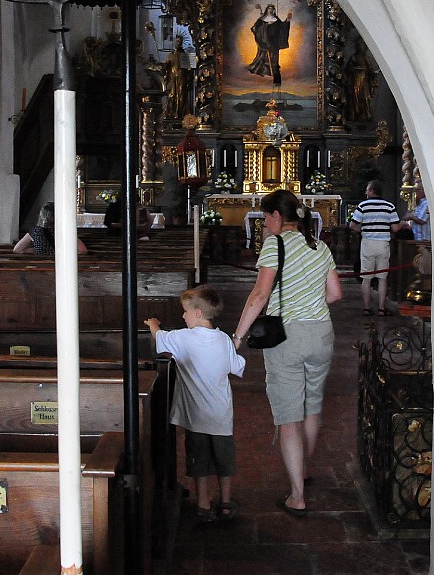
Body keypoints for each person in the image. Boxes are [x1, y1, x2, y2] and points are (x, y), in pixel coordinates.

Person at [232, 189, 342, 517]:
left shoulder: (274, 245)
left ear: (278, 217)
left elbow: (259, 295)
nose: (265, 223)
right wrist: (308, 299)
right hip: (321, 333)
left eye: (267, 216)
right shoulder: (319, 246)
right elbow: (335, 294)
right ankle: (304, 470)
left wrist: (237, 336)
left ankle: (297, 495)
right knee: (312, 405)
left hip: (288, 337)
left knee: (289, 417)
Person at [144, 285, 245, 521]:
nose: (183, 316)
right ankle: (226, 502)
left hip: (196, 417)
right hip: (221, 415)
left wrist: (153, 324)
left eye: (186, 312)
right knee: (224, 460)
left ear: (198, 313)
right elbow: (236, 367)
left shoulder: (183, 338)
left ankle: (203, 504)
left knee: (199, 460)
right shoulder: (223, 340)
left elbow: (160, 338)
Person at [350, 180, 409, 315]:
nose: (366, 192)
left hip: (368, 243)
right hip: (383, 244)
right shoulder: (389, 206)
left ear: (372, 191)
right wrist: (402, 223)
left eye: (367, 190)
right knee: (382, 277)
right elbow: (394, 228)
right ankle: (382, 308)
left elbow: (352, 225)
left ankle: (366, 308)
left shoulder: (363, 206)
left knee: (366, 277)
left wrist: (363, 229)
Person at [13, 202, 87, 255]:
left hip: (40, 268)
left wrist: (35, 250)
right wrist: (67, 253)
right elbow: (82, 251)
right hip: (62, 267)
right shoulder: (65, 231)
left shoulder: (35, 231)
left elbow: (17, 250)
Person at [247, 4, 292, 85]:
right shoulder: (261, 20)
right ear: (266, 10)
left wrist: (287, 20)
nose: (270, 11)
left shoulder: (276, 19)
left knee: (275, 61)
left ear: (273, 10)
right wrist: (266, 27)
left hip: (274, 44)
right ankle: (262, 81)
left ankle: (277, 81)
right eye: (269, 9)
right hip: (264, 43)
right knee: (263, 60)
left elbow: (282, 28)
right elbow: (255, 29)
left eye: (272, 9)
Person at [344, 37, 376, 121]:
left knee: (366, 98)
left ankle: (366, 116)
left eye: (362, 45)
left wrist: (372, 73)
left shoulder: (366, 59)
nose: (361, 47)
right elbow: (348, 69)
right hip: (355, 81)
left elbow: (371, 70)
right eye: (359, 45)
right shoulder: (354, 57)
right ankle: (356, 115)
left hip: (364, 82)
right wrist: (357, 69)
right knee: (355, 98)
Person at [163, 35, 193, 119]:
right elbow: (166, 68)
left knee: (181, 96)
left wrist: (189, 81)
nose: (178, 43)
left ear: (182, 43)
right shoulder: (170, 55)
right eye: (177, 41)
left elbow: (189, 70)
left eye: (179, 42)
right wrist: (166, 66)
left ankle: (180, 115)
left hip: (181, 77)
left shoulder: (184, 55)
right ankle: (171, 114)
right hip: (173, 78)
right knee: (172, 96)